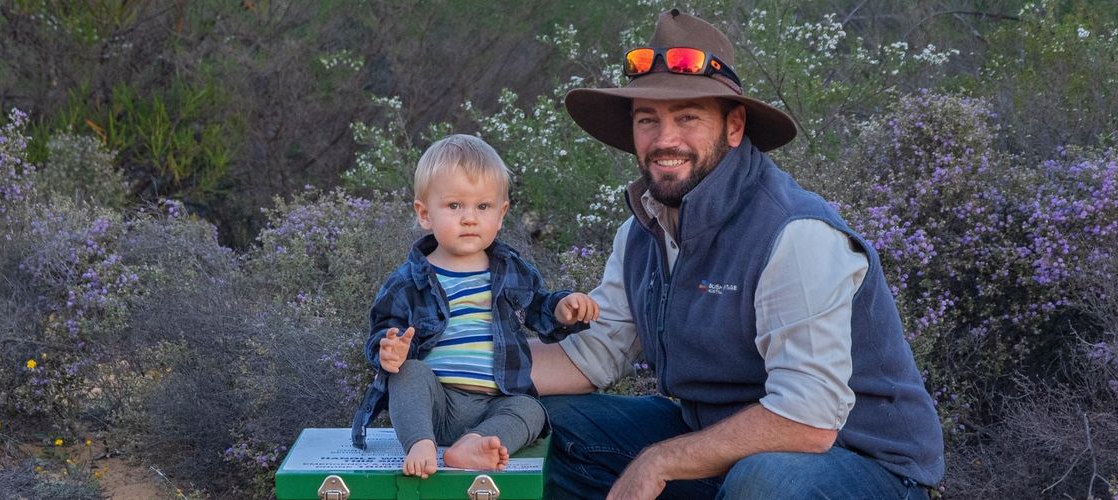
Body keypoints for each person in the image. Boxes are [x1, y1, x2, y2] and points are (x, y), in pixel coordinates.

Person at [526, 9, 945, 499]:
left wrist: (660, 461)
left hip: (859, 464)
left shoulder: (795, 233)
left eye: (688, 118)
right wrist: (450, 365)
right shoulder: (641, 231)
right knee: (541, 421)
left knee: (767, 482)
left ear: (734, 125)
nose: (665, 140)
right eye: (647, 120)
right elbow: (590, 355)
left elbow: (808, 421)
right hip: (729, 452)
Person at [349, 134, 601, 478]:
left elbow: (538, 305)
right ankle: (419, 442)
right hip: (436, 402)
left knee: (531, 410)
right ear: (425, 214)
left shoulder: (510, 270)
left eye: (482, 207)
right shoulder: (408, 280)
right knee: (408, 374)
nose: (469, 218)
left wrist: (561, 308)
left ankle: (474, 444)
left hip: (494, 402)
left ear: (501, 214)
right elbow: (382, 329)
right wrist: (388, 352)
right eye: (454, 206)